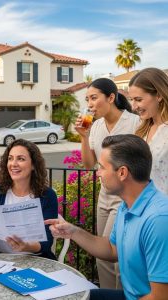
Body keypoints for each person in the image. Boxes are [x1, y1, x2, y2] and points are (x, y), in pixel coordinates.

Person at [46, 134, 168, 300]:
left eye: (102, 167)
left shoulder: (158, 220)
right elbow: (112, 249)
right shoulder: (127, 205)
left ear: (122, 172)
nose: (98, 173)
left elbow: (160, 297)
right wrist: (73, 232)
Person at [74, 78, 140, 289]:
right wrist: (83, 137)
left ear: (111, 98)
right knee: (102, 255)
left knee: (118, 255)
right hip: (104, 195)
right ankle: (107, 294)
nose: (90, 104)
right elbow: (88, 164)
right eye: (87, 99)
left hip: (126, 197)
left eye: (94, 98)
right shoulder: (95, 127)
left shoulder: (134, 123)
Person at [0, 139, 58, 259]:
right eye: (10, 158)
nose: (13, 164)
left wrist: (27, 246)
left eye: (20, 159)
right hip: (0, 259)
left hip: (36, 259)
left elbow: (47, 242)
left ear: (33, 165)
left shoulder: (47, 195)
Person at [129, 67, 168, 195]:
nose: (134, 107)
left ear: (158, 96)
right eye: (132, 100)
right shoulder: (142, 129)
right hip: (144, 206)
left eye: (138, 100)